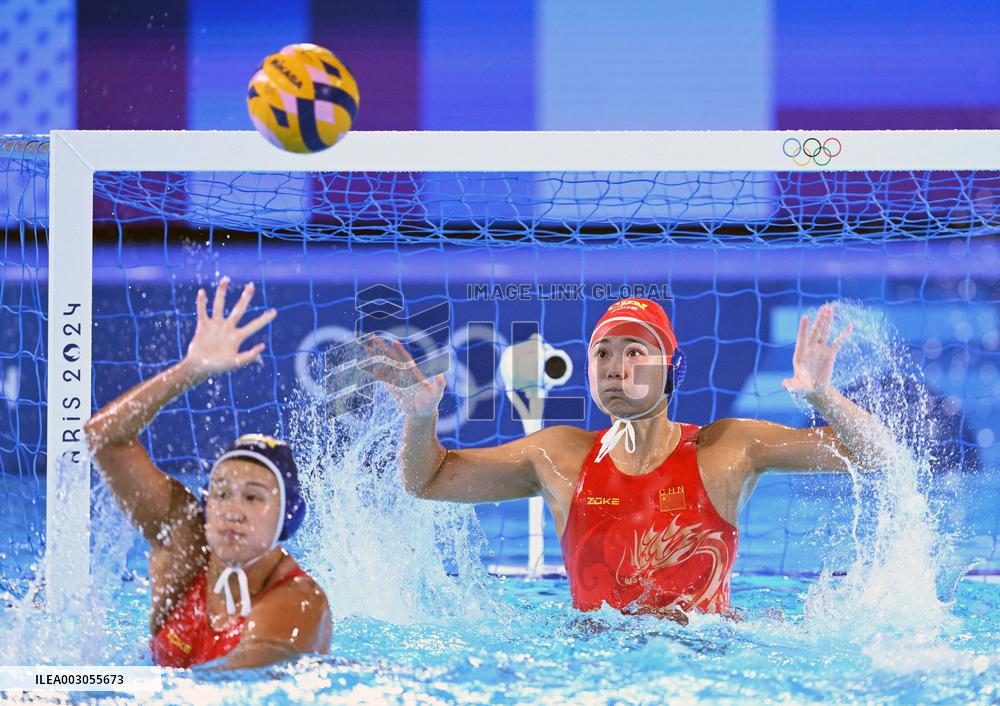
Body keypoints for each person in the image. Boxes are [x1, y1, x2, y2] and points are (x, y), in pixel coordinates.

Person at [363, 298, 895, 621]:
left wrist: (822, 395)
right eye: (602, 354)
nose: (615, 366)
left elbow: (873, 456)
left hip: (709, 657)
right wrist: (419, 417)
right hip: (593, 659)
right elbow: (427, 480)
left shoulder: (727, 448)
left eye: (634, 352)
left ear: (671, 369)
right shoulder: (561, 456)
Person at [84, 277, 331, 668]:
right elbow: (104, 438)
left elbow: (233, 685)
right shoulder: (186, 546)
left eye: (252, 497)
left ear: (288, 515)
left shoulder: (296, 599)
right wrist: (191, 370)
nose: (233, 510)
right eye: (221, 493)